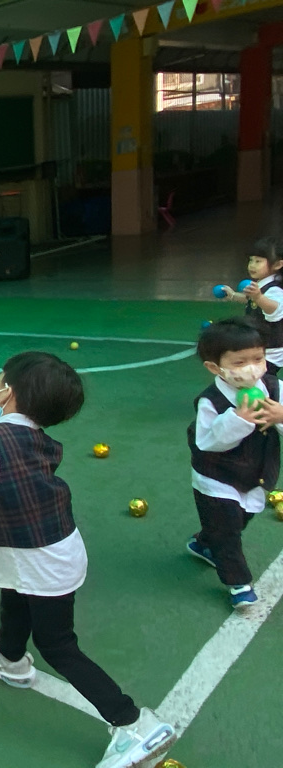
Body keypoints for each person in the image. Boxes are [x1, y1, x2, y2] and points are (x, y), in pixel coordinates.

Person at [0, 351, 175, 768]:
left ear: (10, 393)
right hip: (39, 552)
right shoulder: (33, 436)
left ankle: (133, 722)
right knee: (13, 600)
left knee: (57, 645)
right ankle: (9, 659)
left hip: (42, 562)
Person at [186, 318, 283, 609]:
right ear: (215, 367)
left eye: (258, 358)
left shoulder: (273, 386)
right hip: (216, 478)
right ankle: (238, 583)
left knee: (241, 518)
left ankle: (204, 543)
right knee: (228, 531)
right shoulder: (211, 401)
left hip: (256, 471)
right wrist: (238, 419)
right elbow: (207, 442)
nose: (252, 368)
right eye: (240, 362)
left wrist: (280, 416)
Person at [220, 236, 283, 374]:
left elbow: (274, 310)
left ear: (277, 265)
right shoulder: (260, 284)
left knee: (258, 378)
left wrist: (258, 297)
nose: (252, 265)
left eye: (258, 261)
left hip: (271, 352)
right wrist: (233, 295)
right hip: (260, 347)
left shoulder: (274, 289)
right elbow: (251, 300)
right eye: (251, 260)